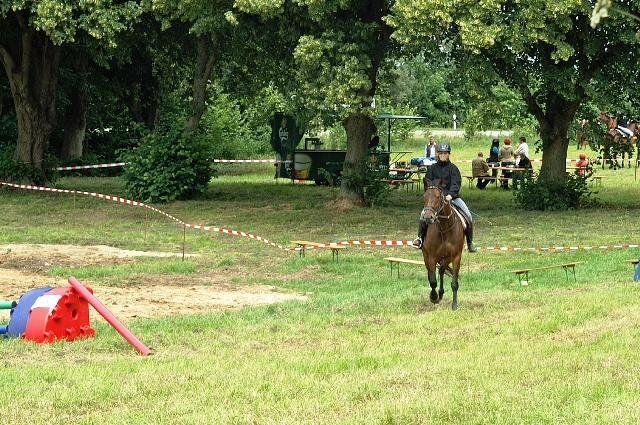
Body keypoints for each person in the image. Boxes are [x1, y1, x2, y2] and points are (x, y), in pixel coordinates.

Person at [412, 142, 477, 252]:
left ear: (448, 154)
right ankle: (420, 238)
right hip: (435, 199)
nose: (443, 155)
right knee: (423, 215)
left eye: (445, 153)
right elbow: (428, 183)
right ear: (438, 154)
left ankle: (470, 242)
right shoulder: (432, 168)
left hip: (452, 197)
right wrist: (432, 195)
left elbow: (456, 183)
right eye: (441, 153)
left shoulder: (453, 168)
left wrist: (450, 194)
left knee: (468, 215)